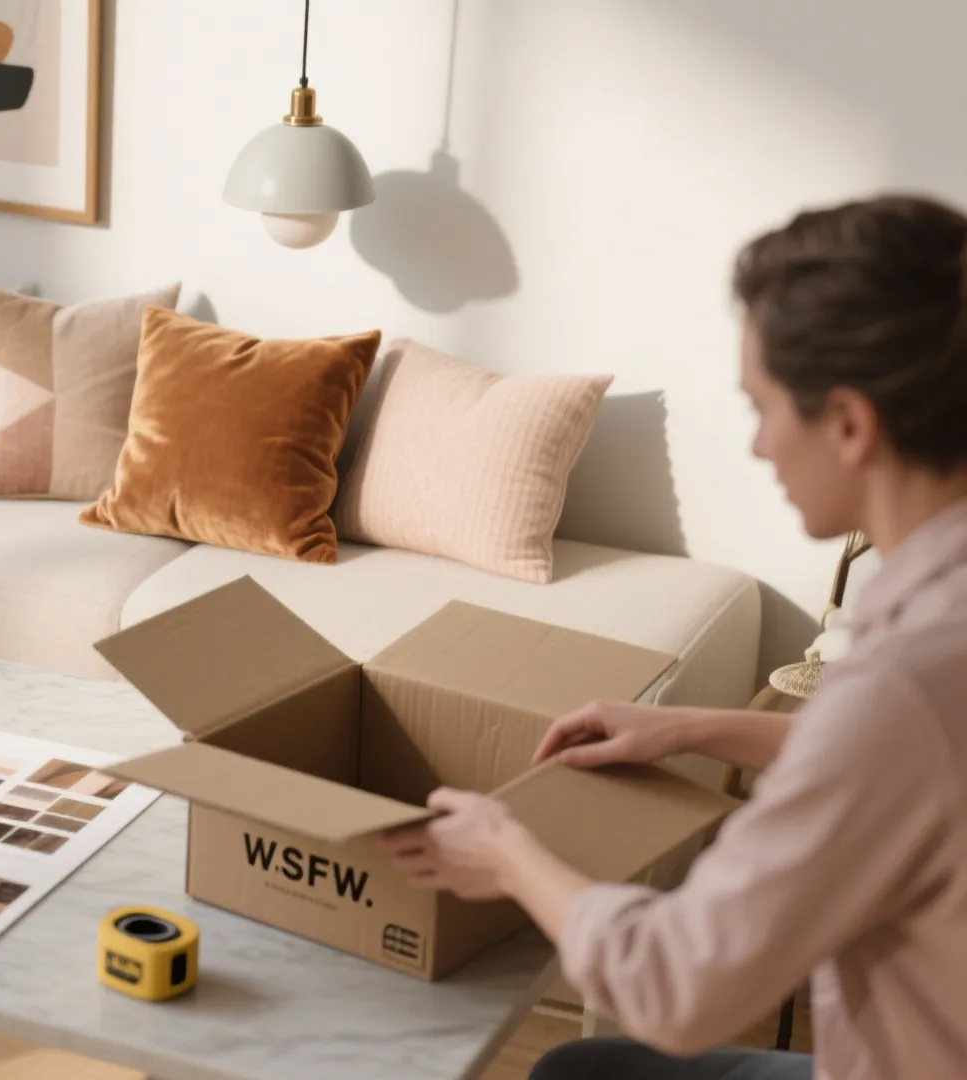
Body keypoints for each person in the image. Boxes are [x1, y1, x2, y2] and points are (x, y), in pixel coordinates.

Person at [377, 193, 967, 1080]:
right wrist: (692, 727)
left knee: (577, 1071)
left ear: (850, 424)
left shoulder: (904, 677)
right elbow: (916, 759)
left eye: (764, 407)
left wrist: (507, 855)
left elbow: (675, 987)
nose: (760, 446)